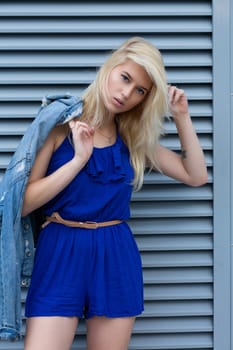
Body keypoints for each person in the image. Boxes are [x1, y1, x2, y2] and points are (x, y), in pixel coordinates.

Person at [22, 36, 208, 350]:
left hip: (114, 252)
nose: (126, 93)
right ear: (111, 66)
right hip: (60, 248)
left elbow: (196, 175)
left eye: (140, 91)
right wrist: (79, 160)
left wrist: (181, 117)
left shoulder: (133, 140)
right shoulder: (59, 124)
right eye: (125, 78)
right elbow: (24, 203)